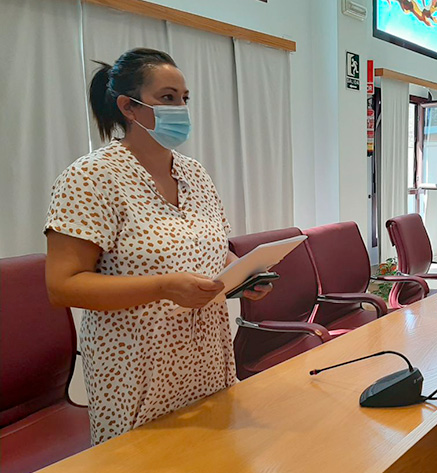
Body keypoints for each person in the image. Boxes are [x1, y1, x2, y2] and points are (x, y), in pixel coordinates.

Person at [44, 48, 271, 445]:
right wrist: (162, 287)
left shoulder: (194, 173)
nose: (180, 108)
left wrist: (244, 273)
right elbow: (63, 285)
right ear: (128, 107)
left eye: (184, 98)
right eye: (167, 98)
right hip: (136, 369)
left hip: (206, 360)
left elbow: (214, 249)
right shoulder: (91, 177)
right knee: (146, 466)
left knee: (215, 460)